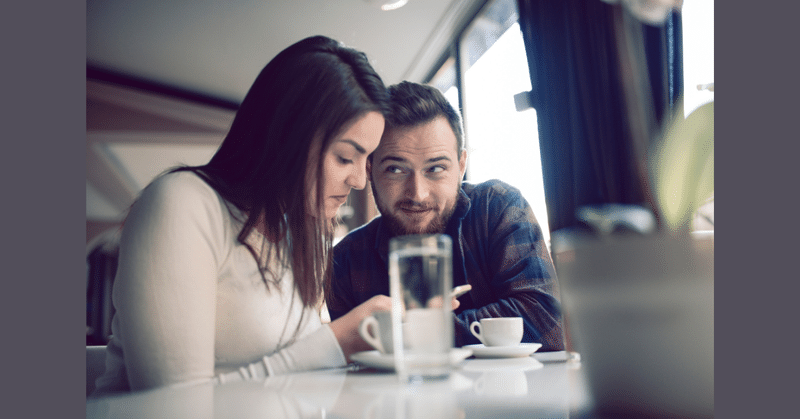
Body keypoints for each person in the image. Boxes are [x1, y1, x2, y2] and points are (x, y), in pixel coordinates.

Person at [93, 35, 395, 395]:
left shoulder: (303, 234)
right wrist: (335, 343)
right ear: (286, 134)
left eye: (366, 160)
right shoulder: (183, 204)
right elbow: (173, 404)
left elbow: (301, 381)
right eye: (345, 157)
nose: (359, 180)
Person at [327, 81, 565, 351]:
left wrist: (411, 332)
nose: (418, 194)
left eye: (436, 168)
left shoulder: (498, 208)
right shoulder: (344, 262)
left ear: (461, 166)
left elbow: (545, 322)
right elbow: (350, 363)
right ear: (369, 170)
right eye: (395, 169)